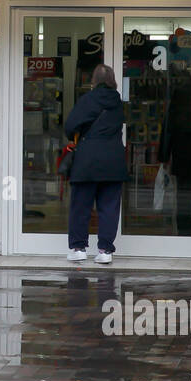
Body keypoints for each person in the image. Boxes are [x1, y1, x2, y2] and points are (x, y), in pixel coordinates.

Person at [64, 63, 129, 265]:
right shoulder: (118, 103)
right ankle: (105, 251)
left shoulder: (87, 100)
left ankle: (78, 248)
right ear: (112, 81)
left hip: (87, 160)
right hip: (114, 160)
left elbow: (70, 126)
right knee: (109, 207)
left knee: (81, 206)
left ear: (94, 81)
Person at [159, 63, 191, 236]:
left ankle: (184, 235)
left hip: (183, 152)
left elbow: (169, 124)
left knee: (184, 197)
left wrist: (164, 155)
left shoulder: (181, 91)